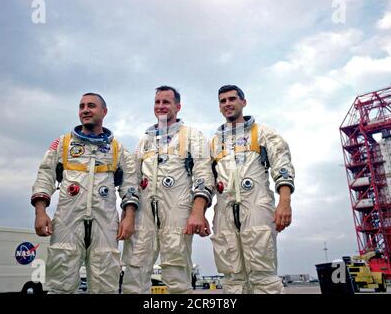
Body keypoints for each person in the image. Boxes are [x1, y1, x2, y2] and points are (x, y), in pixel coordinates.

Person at [31, 93, 139, 294]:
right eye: (81, 106)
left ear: (104, 112)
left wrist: (129, 217)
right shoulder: (62, 144)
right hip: (67, 220)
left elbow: (130, 183)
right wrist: (40, 212)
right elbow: (45, 175)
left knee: (105, 284)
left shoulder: (117, 149)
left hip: (105, 222)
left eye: (91, 106)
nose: (85, 110)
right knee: (60, 283)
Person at [121, 86, 214, 294]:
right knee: (134, 275)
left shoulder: (191, 136)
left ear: (178, 107)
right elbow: (131, 180)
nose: (161, 106)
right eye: (157, 102)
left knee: (176, 275)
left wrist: (198, 212)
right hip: (143, 214)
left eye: (166, 102)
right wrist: (128, 215)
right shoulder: (145, 141)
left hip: (176, 212)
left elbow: (203, 175)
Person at [210, 85, 295, 294]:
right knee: (232, 277)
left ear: (243, 102)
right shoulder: (214, 143)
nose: (227, 104)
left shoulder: (264, 134)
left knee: (262, 274)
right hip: (224, 211)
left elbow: (282, 167)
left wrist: (284, 203)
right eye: (223, 101)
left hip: (256, 206)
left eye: (232, 99)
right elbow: (206, 180)